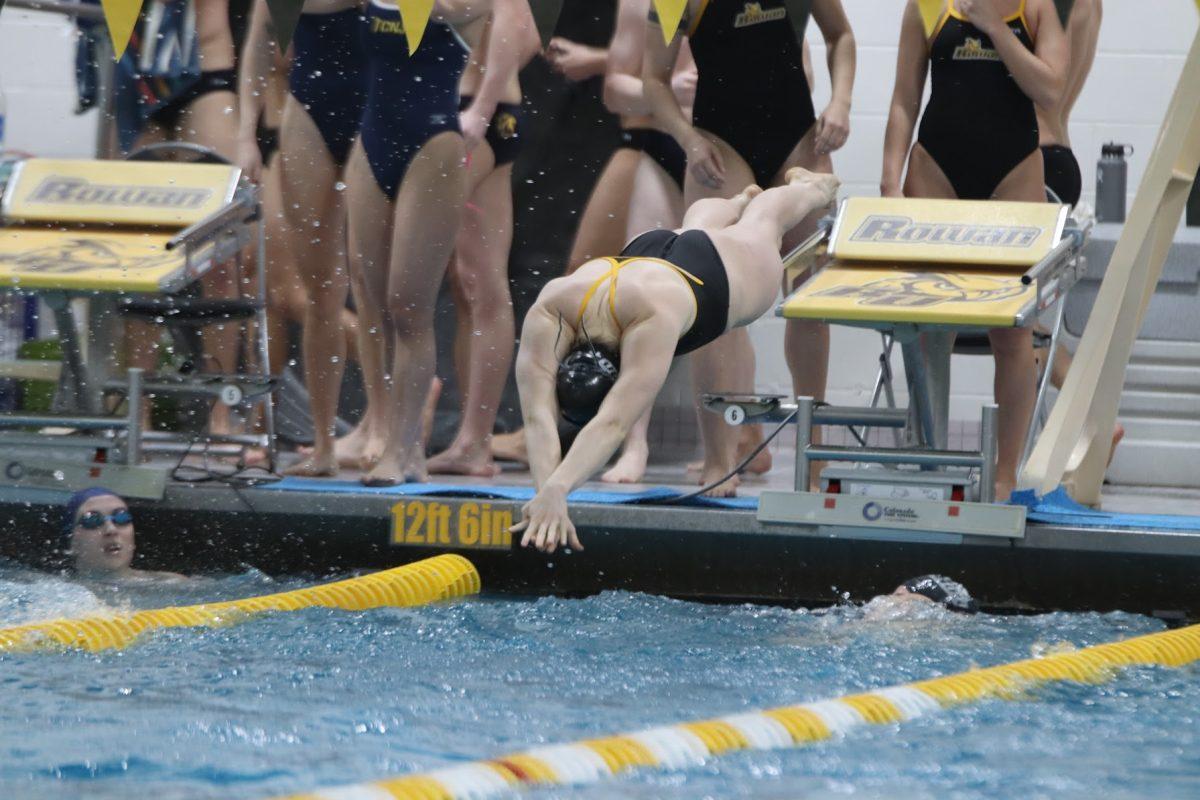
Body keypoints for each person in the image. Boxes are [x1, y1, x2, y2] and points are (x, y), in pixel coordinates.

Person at [513, 168, 840, 553]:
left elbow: (613, 422)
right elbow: (538, 418)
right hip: (647, 251)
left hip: (714, 280)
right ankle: (734, 204)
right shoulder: (555, 301)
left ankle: (810, 188)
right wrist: (547, 495)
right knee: (694, 228)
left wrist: (558, 488)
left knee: (763, 224)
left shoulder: (648, 320)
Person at [642, 0, 856, 494]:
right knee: (712, 303)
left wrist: (841, 102)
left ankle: (814, 458)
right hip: (721, 145)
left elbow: (840, 35)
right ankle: (719, 457)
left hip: (798, 141)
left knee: (808, 301)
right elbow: (653, 78)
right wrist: (686, 138)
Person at [880, 0, 1067, 500]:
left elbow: (1051, 90)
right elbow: (904, 99)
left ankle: (1007, 473)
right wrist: (889, 178)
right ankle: (927, 465)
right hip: (936, 168)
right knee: (926, 330)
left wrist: (993, 27)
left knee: (1013, 335)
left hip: (1013, 173)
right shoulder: (926, 6)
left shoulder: (1036, 9)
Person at [346, 0, 529, 486]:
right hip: (373, 138)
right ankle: (381, 423)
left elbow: (516, 24)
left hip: (438, 138)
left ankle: (405, 446)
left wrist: (483, 108)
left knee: (410, 304)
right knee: (372, 294)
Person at [237, 0, 367, 476]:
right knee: (314, 293)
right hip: (303, 113)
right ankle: (322, 441)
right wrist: (244, 134)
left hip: (378, 110)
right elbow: (257, 41)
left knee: (373, 288)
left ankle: (392, 425)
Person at [119, 0, 246, 436]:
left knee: (221, 257)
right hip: (135, 79)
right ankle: (139, 408)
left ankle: (221, 406)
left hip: (205, 75)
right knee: (136, 259)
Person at [429, 5, 540, 477]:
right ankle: (472, 438)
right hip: (463, 111)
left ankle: (473, 439)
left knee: (480, 281)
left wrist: (483, 103)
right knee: (467, 283)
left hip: (479, 117)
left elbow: (524, 33)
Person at [1032, 0, 1122, 462]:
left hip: (1031, 159)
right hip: (1060, 157)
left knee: (1018, 326)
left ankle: (1092, 417)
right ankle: (1087, 420)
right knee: (1027, 325)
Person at [60, 488, 186, 581]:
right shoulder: (59, 593)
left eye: (121, 517)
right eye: (92, 520)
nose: (111, 530)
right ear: (72, 542)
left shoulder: (169, 583)